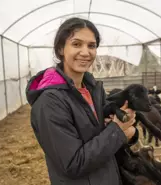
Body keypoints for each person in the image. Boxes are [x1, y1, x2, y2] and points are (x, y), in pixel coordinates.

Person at [25, 17, 138, 185]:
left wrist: (126, 130)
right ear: (61, 49)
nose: (85, 52)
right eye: (76, 44)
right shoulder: (49, 103)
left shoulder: (93, 90)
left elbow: (100, 138)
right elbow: (73, 163)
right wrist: (117, 131)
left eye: (91, 46)